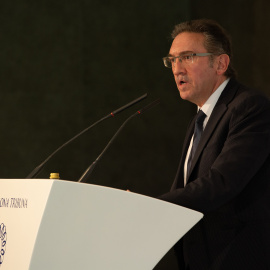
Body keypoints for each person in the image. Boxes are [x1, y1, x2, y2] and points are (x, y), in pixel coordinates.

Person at [159, 19, 270, 270]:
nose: (177, 69)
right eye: (172, 60)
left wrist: (153, 207)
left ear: (220, 63)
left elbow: (222, 182)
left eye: (187, 57)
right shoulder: (199, 120)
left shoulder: (248, 107)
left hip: (236, 257)